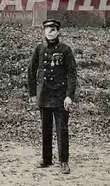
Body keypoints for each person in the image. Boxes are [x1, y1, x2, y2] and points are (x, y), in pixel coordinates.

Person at [28, 19, 77, 174]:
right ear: (44, 32)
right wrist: (32, 93)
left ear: (58, 32)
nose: (50, 32)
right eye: (47, 29)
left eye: (53, 29)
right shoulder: (39, 49)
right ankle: (46, 159)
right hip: (44, 95)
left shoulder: (65, 50)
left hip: (60, 96)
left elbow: (71, 74)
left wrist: (69, 96)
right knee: (46, 128)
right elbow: (31, 70)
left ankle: (63, 161)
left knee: (62, 129)